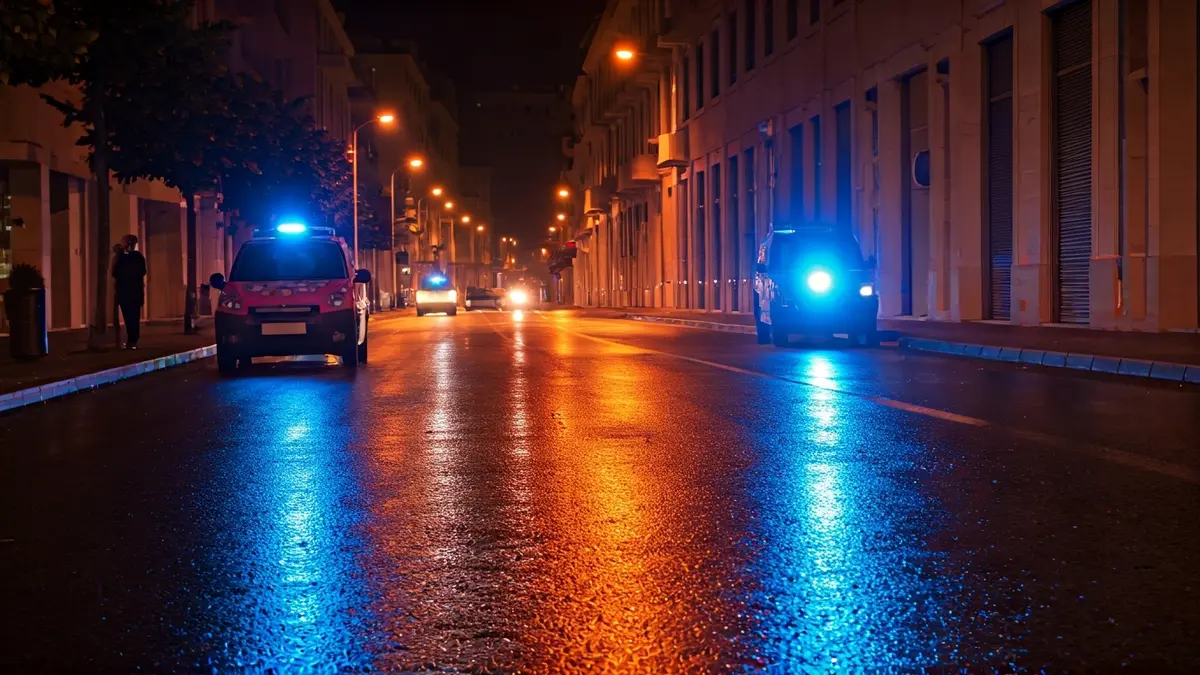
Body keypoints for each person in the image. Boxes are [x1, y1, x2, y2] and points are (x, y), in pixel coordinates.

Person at [112, 234, 147, 349]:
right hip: (134, 291)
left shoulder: (123, 258)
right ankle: (133, 340)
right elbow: (143, 271)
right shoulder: (138, 257)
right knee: (134, 316)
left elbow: (115, 273)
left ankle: (132, 340)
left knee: (128, 316)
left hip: (125, 291)